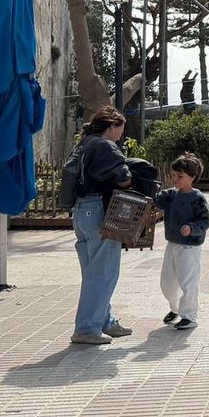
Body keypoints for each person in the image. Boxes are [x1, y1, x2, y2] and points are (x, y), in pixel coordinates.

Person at [69, 105, 136, 346]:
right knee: (104, 273)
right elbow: (124, 178)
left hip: (80, 211)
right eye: (121, 128)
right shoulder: (105, 146)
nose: (121, 134)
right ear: (112, 125)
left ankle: (106, 321)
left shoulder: (84, 144)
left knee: (93, 273)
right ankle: (87, 328)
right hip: (98, 210)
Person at [154, 152, 209, 331]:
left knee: (188, 281)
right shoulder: (171, 195)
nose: (175, 179)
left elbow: (205, 221)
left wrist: (191, 228)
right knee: (167, 283)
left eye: (180, 176)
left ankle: (189, 316)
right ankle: (176, 308)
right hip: (172, 244)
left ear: (192, 177)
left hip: (189, 247)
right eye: (173, 176)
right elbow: (156, 199)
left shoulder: (197, 198)